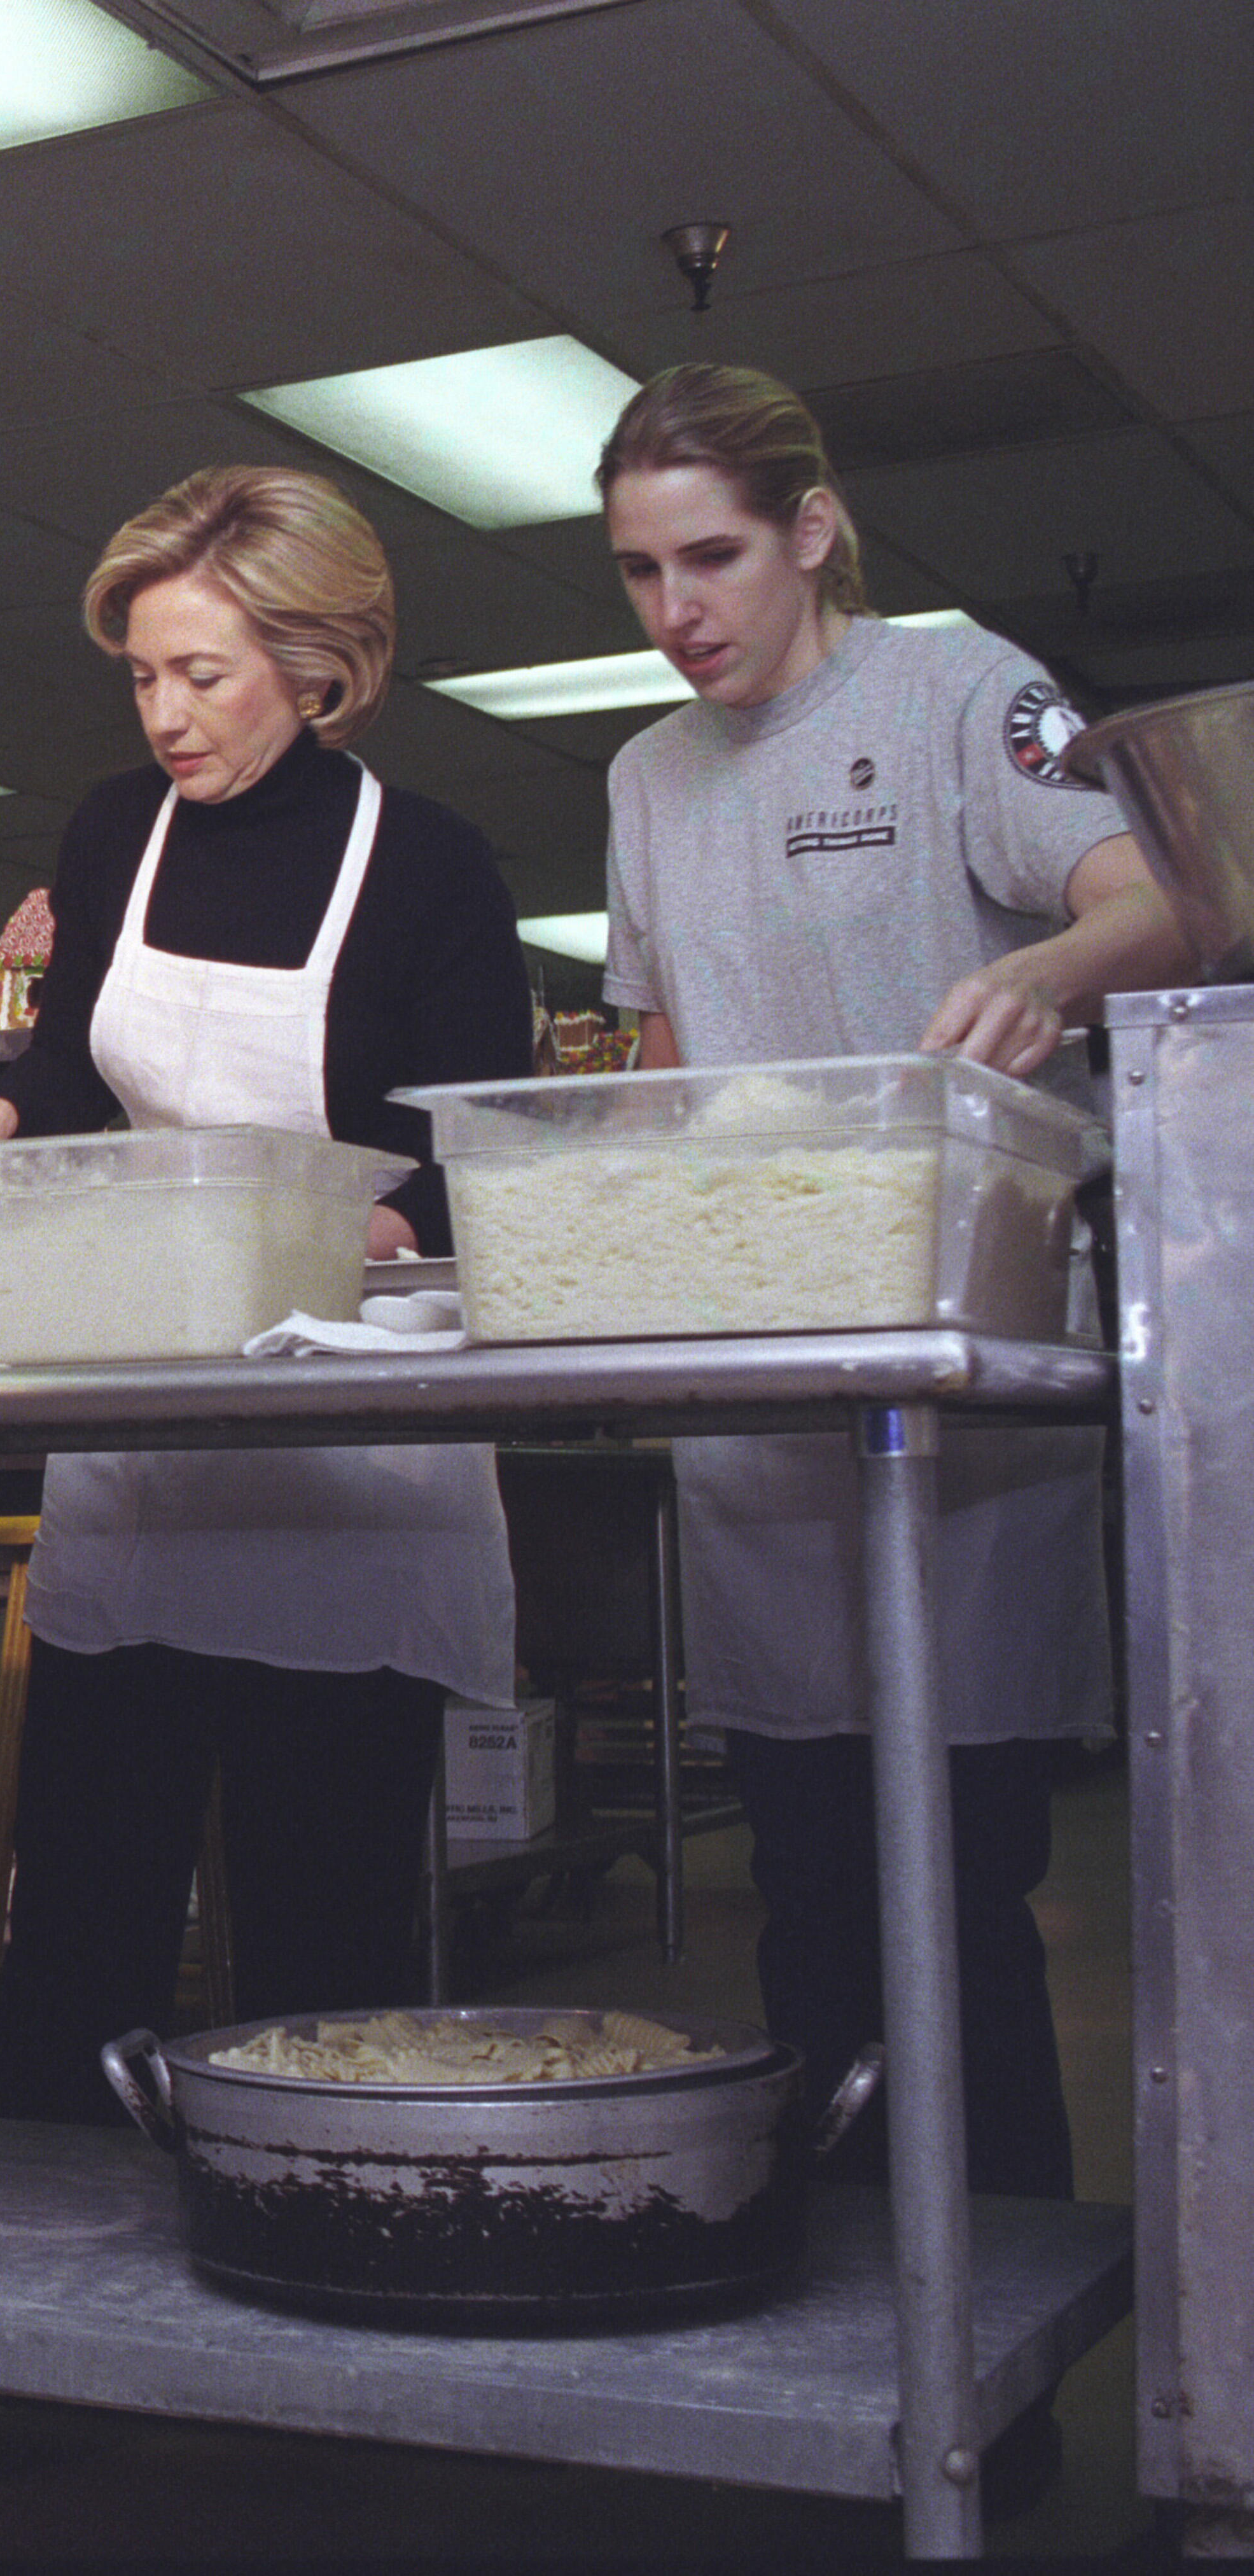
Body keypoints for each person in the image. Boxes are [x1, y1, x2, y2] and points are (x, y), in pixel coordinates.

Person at [591, 361, 1193, 2211]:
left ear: (814, 533)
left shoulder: (955, 691)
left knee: (960, 1873)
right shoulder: (644, 776)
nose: (678, 611)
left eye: (712, 559)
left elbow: (1169, 895)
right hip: (766, 1364)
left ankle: (990, 2326)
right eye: (637, 573)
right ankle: (841, 2308)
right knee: (807, 1869)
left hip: (957, 1345)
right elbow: (666, 1054)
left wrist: (1054, 977)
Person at [0, 466, 534, 2121]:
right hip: (151, 1448)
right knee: (88, 1924)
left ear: (317, 667)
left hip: (350, 1467)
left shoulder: (434, 868)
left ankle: (316, 2276)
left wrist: (336, 1233)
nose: (166, 715)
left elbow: (476, 1172)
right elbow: (62, 1073)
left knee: (320, 1950)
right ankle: (61, 2284)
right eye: (141, 676)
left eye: (204, 674)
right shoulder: (121, 832)